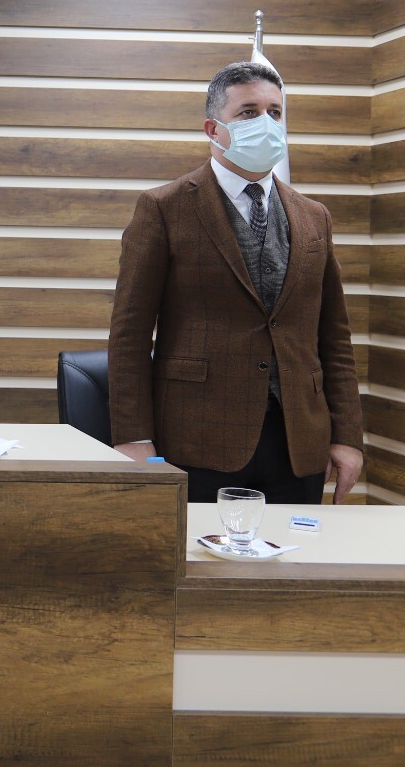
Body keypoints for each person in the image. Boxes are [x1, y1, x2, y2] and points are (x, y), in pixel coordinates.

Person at [107, 61, 364, 503]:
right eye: (248, 112)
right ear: (213, 128)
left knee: (294, 548)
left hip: (299, 443)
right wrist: (133, 437)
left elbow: (334, 338)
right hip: (198, 439)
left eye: (275, 112)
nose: (266, 123)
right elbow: (130, 334)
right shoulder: (163, 208)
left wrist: (347, 436)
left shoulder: (314, 216)